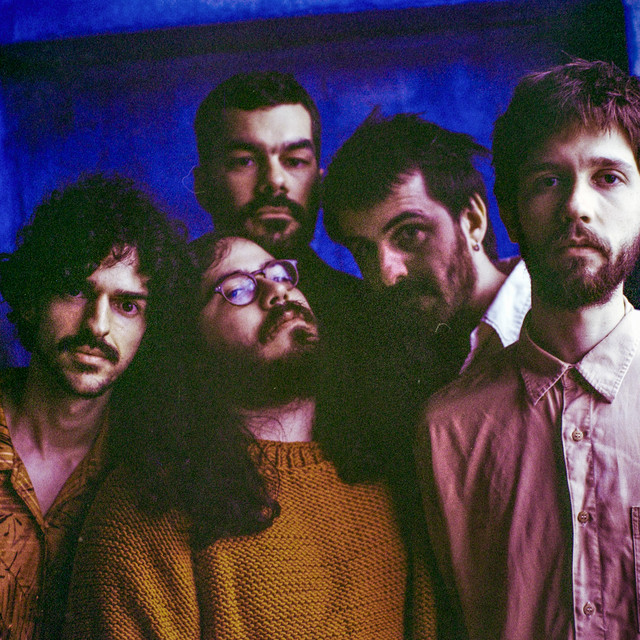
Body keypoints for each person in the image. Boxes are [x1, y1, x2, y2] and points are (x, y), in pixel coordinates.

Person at [63, 234, 438, 639]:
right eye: (238, 288)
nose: (277, 291)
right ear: (190, 344)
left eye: (280, 274)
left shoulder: (388, 479)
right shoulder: (146, 508)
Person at [415, 58, 640, 639]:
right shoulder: (448, 430)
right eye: (548, 180)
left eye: (608, 177)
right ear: (510, 215)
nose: (577, 206)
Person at [0, 172, 188, 639]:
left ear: (148, 330)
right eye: (76, 291)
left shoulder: (154, 464)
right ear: (31, 299)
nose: (97, 325)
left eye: (127, 306)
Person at [323, 110, 531, 378]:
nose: (387, 275)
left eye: (409, 234)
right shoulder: (389, 359)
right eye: (363, 249)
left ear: (473, 221)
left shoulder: (562, 325)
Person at [193, 71, 361, 337]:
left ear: (319, 184)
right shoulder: (158, 308)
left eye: (295, 161)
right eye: (245, 161)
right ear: (202, 187)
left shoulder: (367, 313)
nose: (274, 181)